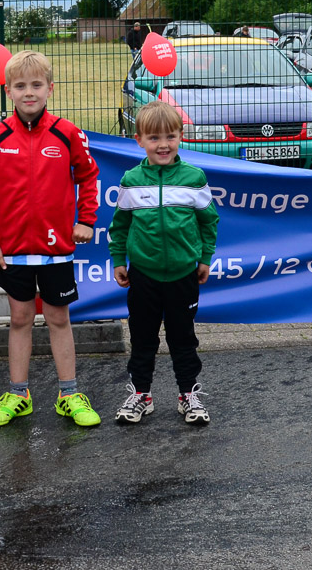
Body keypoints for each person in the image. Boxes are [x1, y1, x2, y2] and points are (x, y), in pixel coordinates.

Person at [0, 50, 102, 428]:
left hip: (56, 249)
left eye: (36, 85)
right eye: (20, 86)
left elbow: (88, 176)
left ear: (50, 88)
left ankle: (69, 394)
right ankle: (19, 395)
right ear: (8, 91)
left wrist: (86, 220)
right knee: (19, 318)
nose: (28, 92)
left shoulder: (67, 132)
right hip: (13, 250)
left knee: (57, 317)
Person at [108, 100, 220, 426]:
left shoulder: (194, 178)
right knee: (143, 338)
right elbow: (120, 226)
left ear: (181, 136)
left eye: (170, 136)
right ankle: (141, 395)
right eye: (154, 138)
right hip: (143, 275)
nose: (163, 145)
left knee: (183, 338)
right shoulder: (131, 180)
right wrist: (118, 260)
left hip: (184, 275)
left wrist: (204, 258)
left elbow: (209, 221)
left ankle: (188, 395)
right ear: (139, 140)